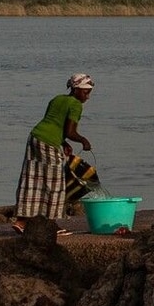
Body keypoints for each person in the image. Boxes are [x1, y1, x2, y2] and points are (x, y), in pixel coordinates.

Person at [14, 73, 97, 244]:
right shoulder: (75, 105)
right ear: (75, 90)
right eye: (85, 92)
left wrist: (63, 143)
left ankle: (21, 221)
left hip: (35, 137)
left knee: (32, 179)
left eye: (89, 92)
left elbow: (53, 123)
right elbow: (69, 131)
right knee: (55, 183)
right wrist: (83, 140)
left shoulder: (57, 99)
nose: (87, 97)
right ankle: (50, 225)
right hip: (49, 142)